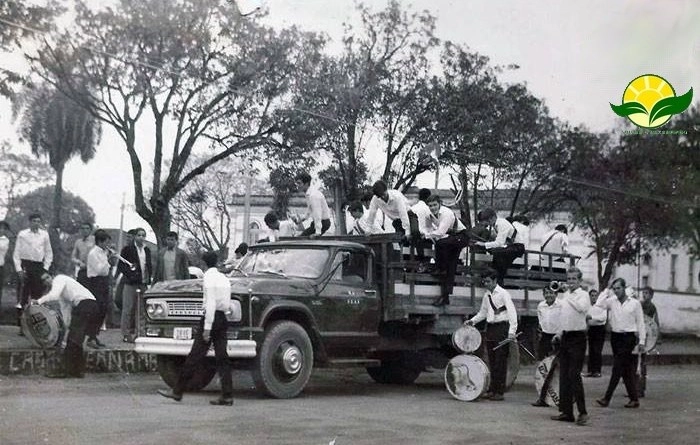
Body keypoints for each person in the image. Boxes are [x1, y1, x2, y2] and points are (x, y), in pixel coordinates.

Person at [158, 251, 234, 406]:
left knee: (194, 356)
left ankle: (177, 390)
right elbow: (226, 302)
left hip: (210, 318)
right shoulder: (224, 278)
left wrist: (207, 327)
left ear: (204, 264)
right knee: (222, 357)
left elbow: (211, 302)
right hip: (222, 318)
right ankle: (227, 394)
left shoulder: (208, 277)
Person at [32, 271, 99, 378]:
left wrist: (39, 301)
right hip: (89, 306)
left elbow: (53, 295)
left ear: (52, 276)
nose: (46, 282)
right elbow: (66, 314)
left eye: (47, 278)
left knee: (73, 340)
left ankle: (66, 371)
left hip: (86, 304)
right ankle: (77, 371)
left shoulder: (59, 278)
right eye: (43, 281)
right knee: (76, 340)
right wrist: (64, 332)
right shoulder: (62, 294)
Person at [464, 267, 517, 401]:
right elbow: (483, 312)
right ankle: (492, 389)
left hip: (502, 328)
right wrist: (472, 321)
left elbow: (512, 313)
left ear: (495, 280)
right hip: (491, 328)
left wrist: (511, 332)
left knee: (500, 361)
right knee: (492, 360)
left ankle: (499, 392)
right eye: (484, 282)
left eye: (488, 281)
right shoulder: (487, 295)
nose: (486, 284)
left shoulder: (504, 293)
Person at [595, 278, 646, 409]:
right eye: (614, 288)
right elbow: (598, 304)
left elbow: (641, 323)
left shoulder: (634, 303)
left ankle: (607, 398)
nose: (616, 291)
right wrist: (606, 289)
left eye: (618, 288)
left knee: (617, 367)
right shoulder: (612, 301)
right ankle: (634, 399)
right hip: (615, 337)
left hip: (628, 338)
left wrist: (642, 341)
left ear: (624, 288)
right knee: (626, 370)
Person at [551, 267, 590, 425]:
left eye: (574, 279)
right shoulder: (566, 296)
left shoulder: (584, 295)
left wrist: (568, 295)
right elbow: (564, 317)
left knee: (574, 374)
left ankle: (583, 412)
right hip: (566, 336)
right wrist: (559, 333)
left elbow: (582, 309)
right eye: (569, 279)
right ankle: (567, 412)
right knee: (564, 375)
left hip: (578, 338)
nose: (571, 282)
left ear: (579, 281)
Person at [423, 195, 469, 306]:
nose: (433, 208)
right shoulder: (429, 215)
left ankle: (440, 268)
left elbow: (440, 233)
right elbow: (427, 228)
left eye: (435, 205)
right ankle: (445, 297)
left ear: (439, 204)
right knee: (450, 267)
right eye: (430, 206)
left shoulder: (446, 213)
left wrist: (427, 235)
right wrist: (428, 234)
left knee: (440, 244)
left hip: (461, 236)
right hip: (450, 238)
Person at [13, 213, 53, 334]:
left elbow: (48, 253)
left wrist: (45, 269)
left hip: (38, 267)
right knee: (23, 297)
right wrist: (19, 269)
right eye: (34, 221)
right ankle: (22, 327)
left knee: (37, 297)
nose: (36, 223)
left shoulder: (44, 235)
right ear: (29, 222)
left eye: (38, 221)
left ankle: (36, 326)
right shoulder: (22, 234)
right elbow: (16, 253)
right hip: (25, 266)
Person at [473, 208, 524, 286]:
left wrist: (484, 244)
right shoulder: (496, 225)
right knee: (496, 254)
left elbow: (499, 243)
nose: (488, 224)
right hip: (510, 246)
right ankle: (496, 278)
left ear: (493, 218)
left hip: (517, 247)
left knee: (498, 254)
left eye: (488, 221)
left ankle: (498, 279)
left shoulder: (501, 224)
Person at [118, 227, 152, 343]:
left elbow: (149, 265)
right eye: (139, 235)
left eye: (143, 235)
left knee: (142, 309)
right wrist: (130, 276)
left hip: (143, 283)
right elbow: (121, 266)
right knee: (128, 309)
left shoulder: (147, 250)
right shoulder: (127, 249)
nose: (141, 237)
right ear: (135, 237)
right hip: (130, 283)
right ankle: (126, 334)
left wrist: (149, 278)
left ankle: (140, 332)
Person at [85, 229, 117, 349]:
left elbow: (107, 270)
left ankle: (95, 335)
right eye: (106, 242)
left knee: (104, 309)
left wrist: (111, 261)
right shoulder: (93, 253)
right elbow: (99, 270)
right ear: (100, 241)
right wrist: (108, 260)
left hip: (103, 282)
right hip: (95, 282)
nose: (107, 245)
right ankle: (90, 337)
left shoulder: (103, 252)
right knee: (96, 310)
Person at [532, 286, 561, 407]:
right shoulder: (541, 306)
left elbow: (564, 321)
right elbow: (541, 321)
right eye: (547, 293)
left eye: (552, 293)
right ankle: (542, 398)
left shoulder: (561, 305)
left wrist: (559, 335)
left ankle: (560, 398)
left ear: (556, 294)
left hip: (558, 337)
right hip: (545, 337)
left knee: (557, 368)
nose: (549, 295)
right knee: (543, 367)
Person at [295, 171, 332, 237]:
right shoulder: (309, 194)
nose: (297, 185)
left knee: (302, 239)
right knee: (302, 237)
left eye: (299, 183)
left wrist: (318, 232)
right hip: (318, 223)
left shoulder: (313, 195)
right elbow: (309, 209)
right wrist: (301, 219)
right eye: (296, 183)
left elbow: (317, 213)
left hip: (323, 222)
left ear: (306, 183)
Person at [639, 286, 658, 397]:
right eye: (643, 293)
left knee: (642, 363)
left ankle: (641, 388)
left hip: (646, 337)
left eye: (646, 293)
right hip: (639, 335)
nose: (644, 295)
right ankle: (636, 387)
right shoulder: (640, 304)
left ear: (651, 295)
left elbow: (654, 322)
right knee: (636, 362)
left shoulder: (651, 307)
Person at [585, 288, 606, 377]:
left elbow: (603, 318)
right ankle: (590, 371)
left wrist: (592, 317)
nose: (593, 297)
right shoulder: (587, 306)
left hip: (600, 330)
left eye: (595, 296)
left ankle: (597, 371)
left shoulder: (602, 306)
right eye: (592, 296)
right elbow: (585, 317)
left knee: (597, 350)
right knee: (591, 350)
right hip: (591, 329)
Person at [71, 222, 95, 287]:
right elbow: (73, 257)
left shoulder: (95, 240)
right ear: (81, 230)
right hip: (83, 270)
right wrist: (79, 262)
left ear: (90, 230)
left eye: (87, 228)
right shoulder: (78, 242)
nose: (85, 230)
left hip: (94, 271)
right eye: (83, 228)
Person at [0, 220, 10, 307]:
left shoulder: (5, 240)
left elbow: (2, 248)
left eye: (4, 229)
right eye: (0, 228)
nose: (2, 230)